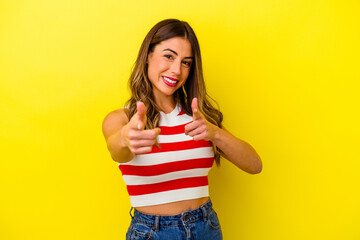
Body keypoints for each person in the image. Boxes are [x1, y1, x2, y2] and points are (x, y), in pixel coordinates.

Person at [102, 19, 262, 240]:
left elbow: (254, 165)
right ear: (148, 55)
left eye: (186, 62)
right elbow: (116, 149)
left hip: (206, 228)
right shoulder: (122, 119)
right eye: (169, 56)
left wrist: (214, 133)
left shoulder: (199, 117)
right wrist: (125, 138)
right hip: (152, 232)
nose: (177, 70)